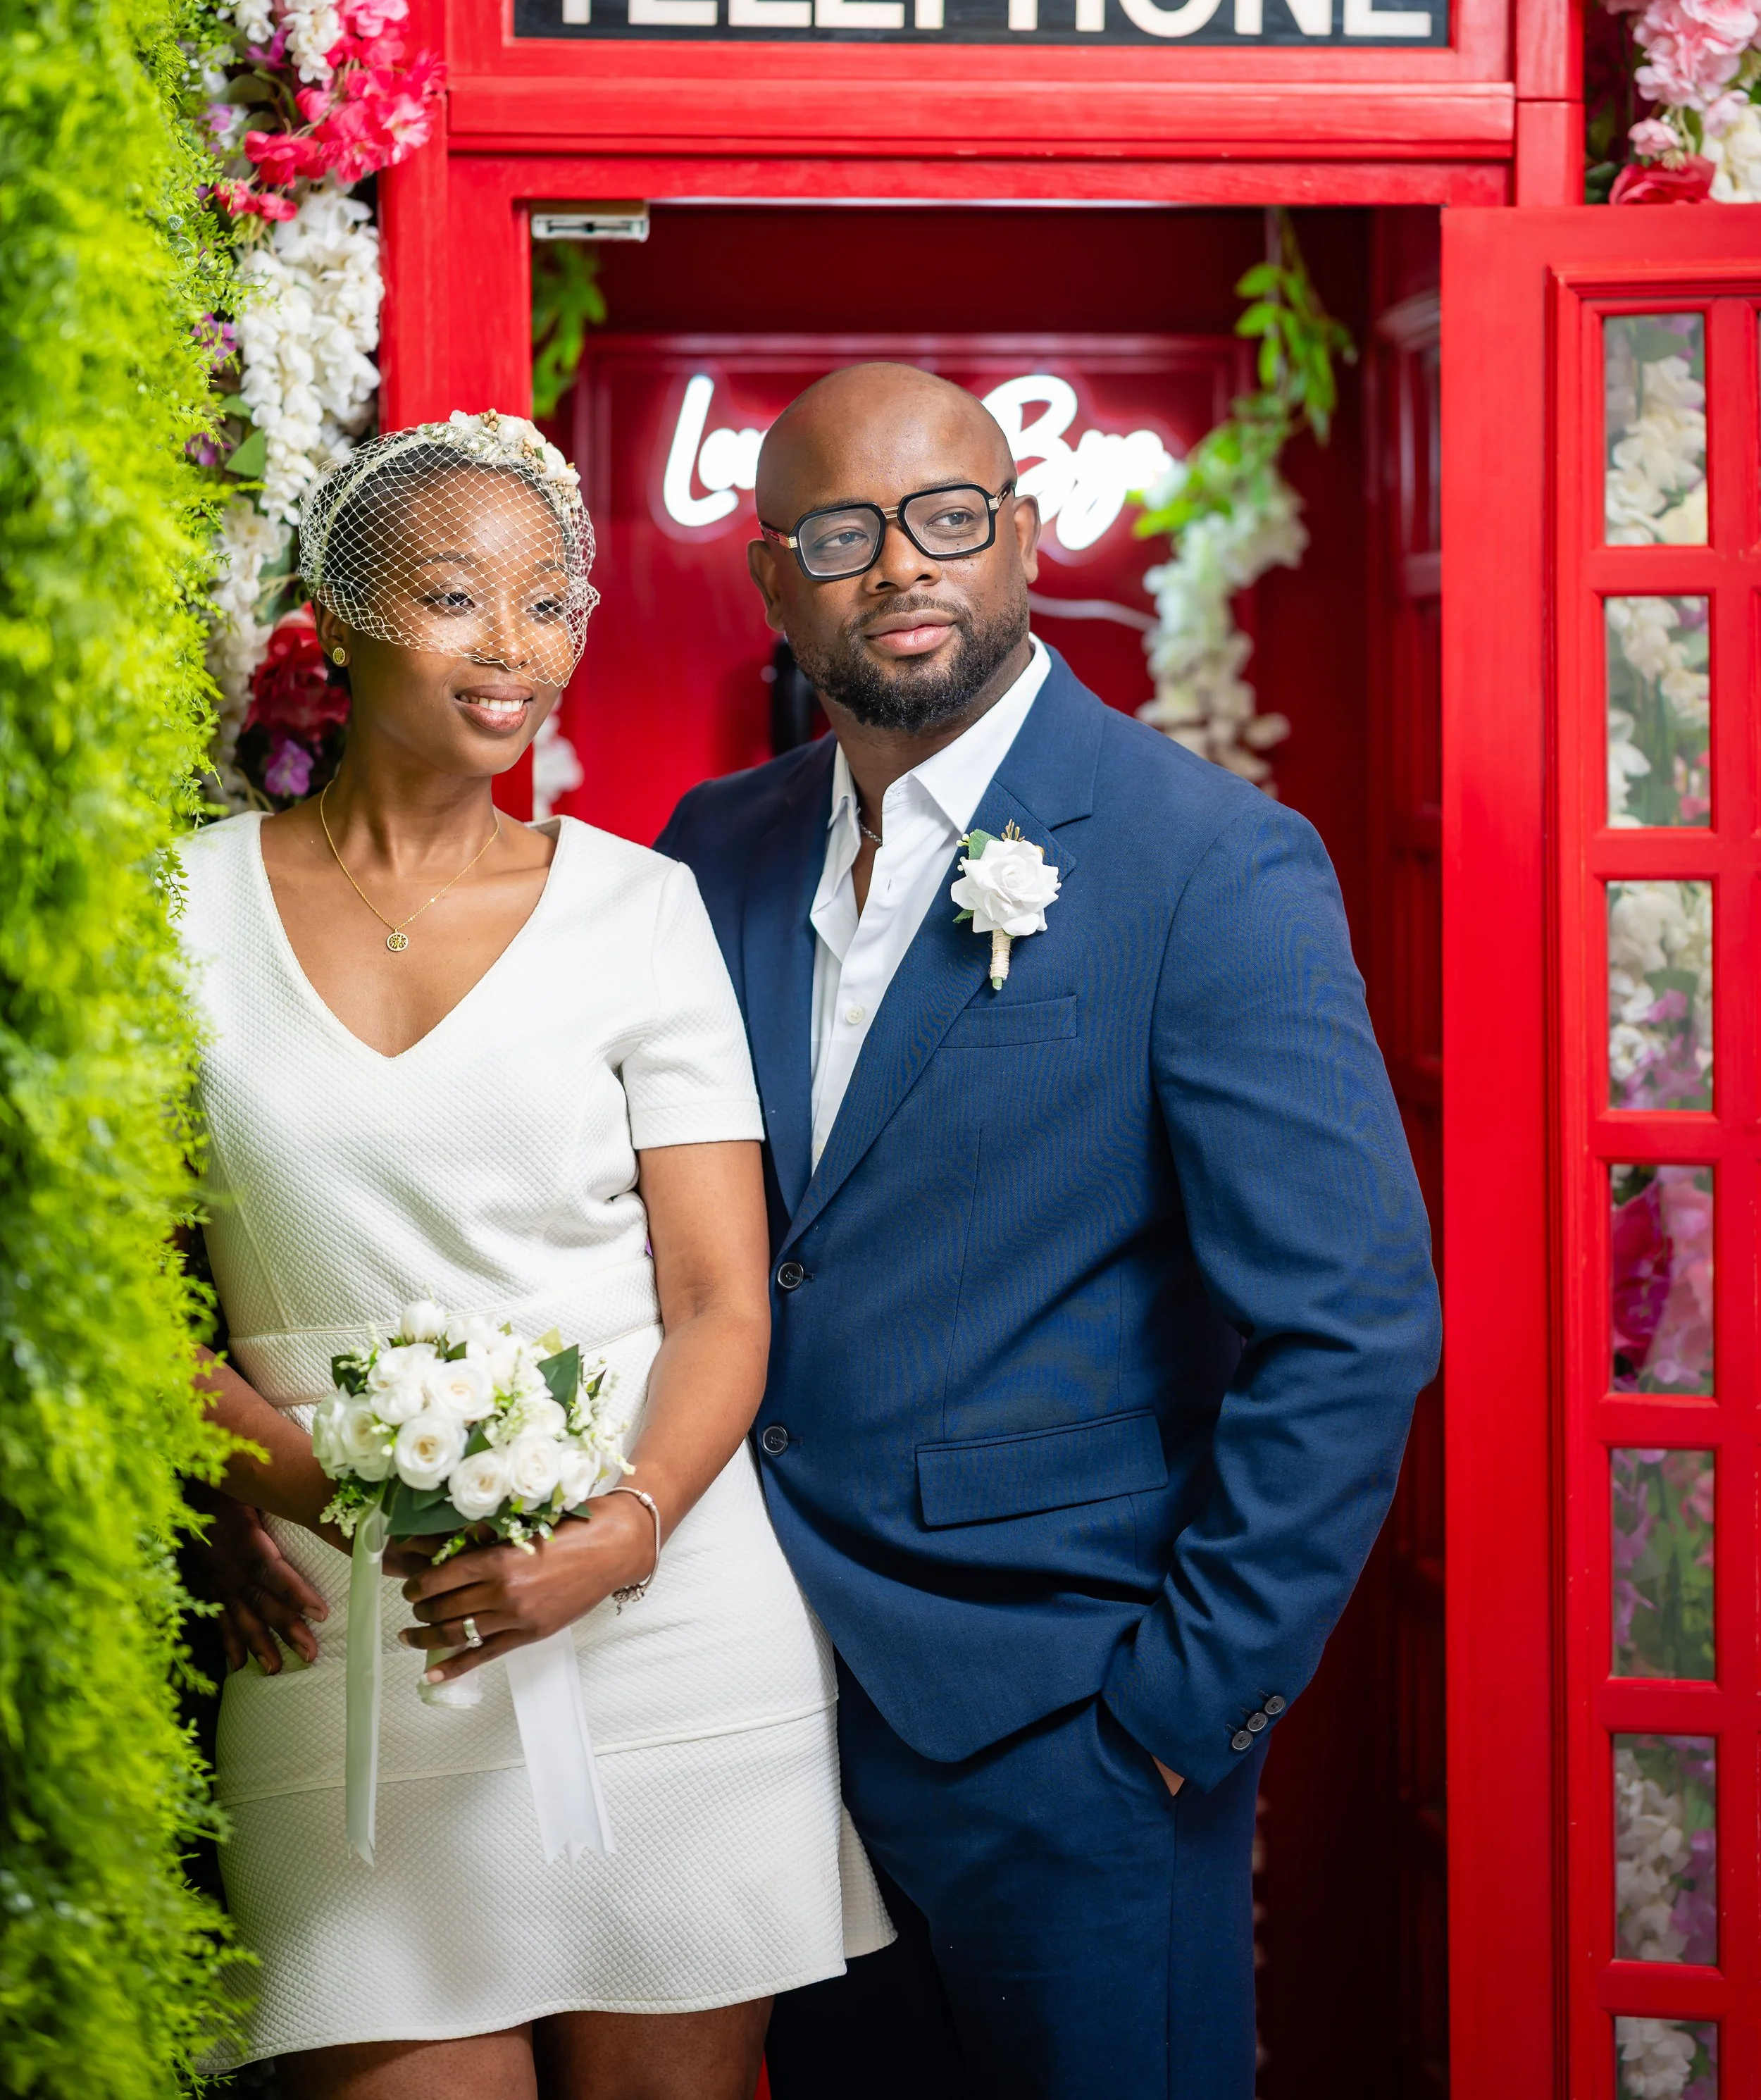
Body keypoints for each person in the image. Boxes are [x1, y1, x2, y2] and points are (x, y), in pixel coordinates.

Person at [655, 362, 1443, 2100]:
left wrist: (1176, 1714)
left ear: (1015, 536)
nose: (904, 570)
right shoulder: (710, 851)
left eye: (947, 520)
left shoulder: (1204, 863)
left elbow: (1358, 1319)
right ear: (775, 577)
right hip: (761, 1714)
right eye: (845, 534)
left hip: (1069, 1734)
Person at [178, 411, 888, 2100]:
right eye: (452, 597)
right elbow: (112, 1304)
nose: (516, 650)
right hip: (347, 1634)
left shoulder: (642, 910)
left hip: (663, 1626)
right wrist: (271, 1483)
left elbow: (720, 1301)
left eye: (552, 602)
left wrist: (617, 1536)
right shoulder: (172, 910)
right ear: (336, 621)